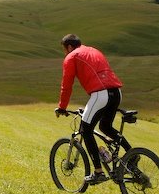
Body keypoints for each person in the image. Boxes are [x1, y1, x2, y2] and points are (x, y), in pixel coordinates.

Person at [55, 34, 133, 185]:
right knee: (105, 126)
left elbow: (67, 84)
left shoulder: (72, 56)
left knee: (85, 129)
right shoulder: (93, 50)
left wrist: (62, 107)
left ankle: (98, 172)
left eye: (65, 50)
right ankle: (131, 154)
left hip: (100, 94)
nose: (65, 53)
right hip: (116, 92)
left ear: (69, 47)